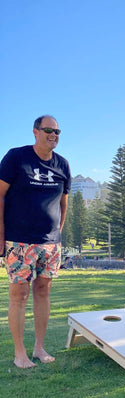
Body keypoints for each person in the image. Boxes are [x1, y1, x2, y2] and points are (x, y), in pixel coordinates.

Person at [0, 115, 71, 369]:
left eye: (57, 131)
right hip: (19, 241)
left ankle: (39, 348)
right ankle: (20, 354)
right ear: (35, 132)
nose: (54, 135)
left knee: (43, 292)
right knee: (19, 294)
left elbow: (63, 204)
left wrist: (57, 237)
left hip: (50, 244)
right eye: (49, 130)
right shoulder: (16, 157)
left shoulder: (62, 164)